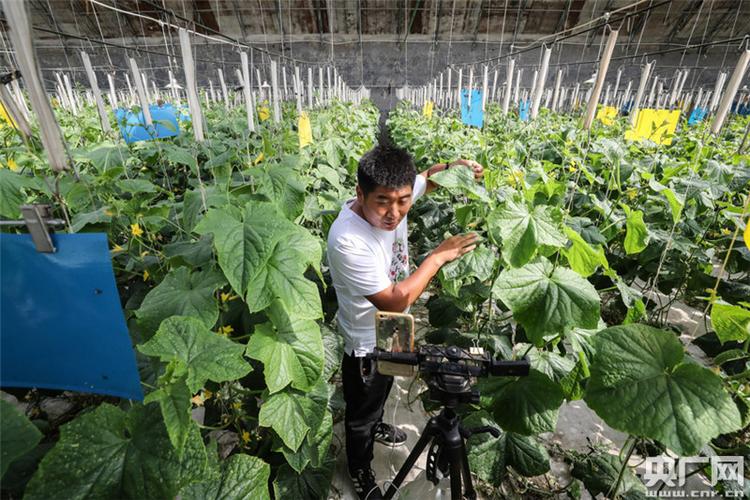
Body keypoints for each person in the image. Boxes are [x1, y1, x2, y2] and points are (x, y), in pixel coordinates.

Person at [326, 135, 483, 500]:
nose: (394, 212)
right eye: (382, 202)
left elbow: (427, 176)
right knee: (361, 409)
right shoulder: (347, 240)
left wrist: (456, 168)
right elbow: (394, 301)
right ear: (360, 194)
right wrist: (437, 257)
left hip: (393, 329)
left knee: (386, 384)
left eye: (402, 201)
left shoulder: (399, 191)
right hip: (365, 338)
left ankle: (379, 422)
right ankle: (361, 467)